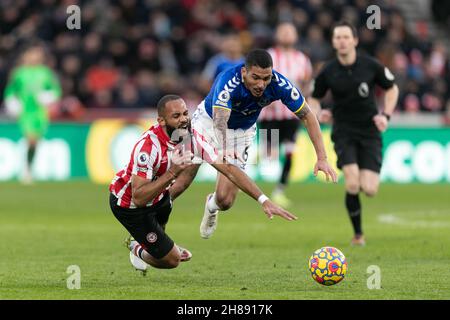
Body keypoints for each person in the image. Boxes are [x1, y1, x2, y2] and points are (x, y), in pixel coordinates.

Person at [109, 95, 297, 272]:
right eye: (176, 116)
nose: (183, 119)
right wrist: (173, 172)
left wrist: (263, 200)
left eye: (184, 114)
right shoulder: (148, 148)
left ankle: (149, 243)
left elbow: (229, 170)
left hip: (160, 198)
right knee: (172, 260)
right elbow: (139, 198)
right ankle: (136, 247)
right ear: (161, 121)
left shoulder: (190, 136)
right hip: (129, 205)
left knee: (162, 235)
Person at [169, 49, 338, 240]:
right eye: (255, 77)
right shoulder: (228, 81)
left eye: (266, 78)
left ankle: (211, 205)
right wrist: (224, 148)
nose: (261, 84)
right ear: (244, 72)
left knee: (225, 201)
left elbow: (307, 115)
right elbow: (220, 120)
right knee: (181, 182)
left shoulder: (279, 84)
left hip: (241, 132)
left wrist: (322, 157)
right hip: (209, 123)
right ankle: (147, 231)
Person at [308, 21, 399, 246]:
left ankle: (360, 200)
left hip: (369, 131)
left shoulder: (371, 65)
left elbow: (392, 88)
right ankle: (358, 235)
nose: (342, 41)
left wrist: (385, 115)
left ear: (355, 40)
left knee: (369, 189)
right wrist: (319, 113)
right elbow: (314, 98)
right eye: (337, 37)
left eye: (346, 37)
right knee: (351, 184)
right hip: (344, 131)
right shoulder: (328, 71)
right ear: (333, 42)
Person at [258, 22, 313, 208]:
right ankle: (242, 179)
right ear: (277, 35)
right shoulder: (269, 56)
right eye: (284, 31)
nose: (287, 34)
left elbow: (306, 85)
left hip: (291, 116)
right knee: (268, 155)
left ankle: (280, 190)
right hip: (270, 115)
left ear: (296, 36)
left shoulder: (302, 59)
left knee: (290, 152)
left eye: (291, 31)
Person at [3, 43, 62, 184]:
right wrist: (12, 102)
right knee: (31, 139)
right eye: (32, 53)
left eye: (37, 54)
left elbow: (56, 90)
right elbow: (10, 91)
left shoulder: (45, 73)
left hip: (40, 113)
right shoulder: (19, 73)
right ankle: (27, 170)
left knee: (35, 142)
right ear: (25, 56)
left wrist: (48, 96)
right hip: (26, 112)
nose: (34, 56)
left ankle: (29, 167)